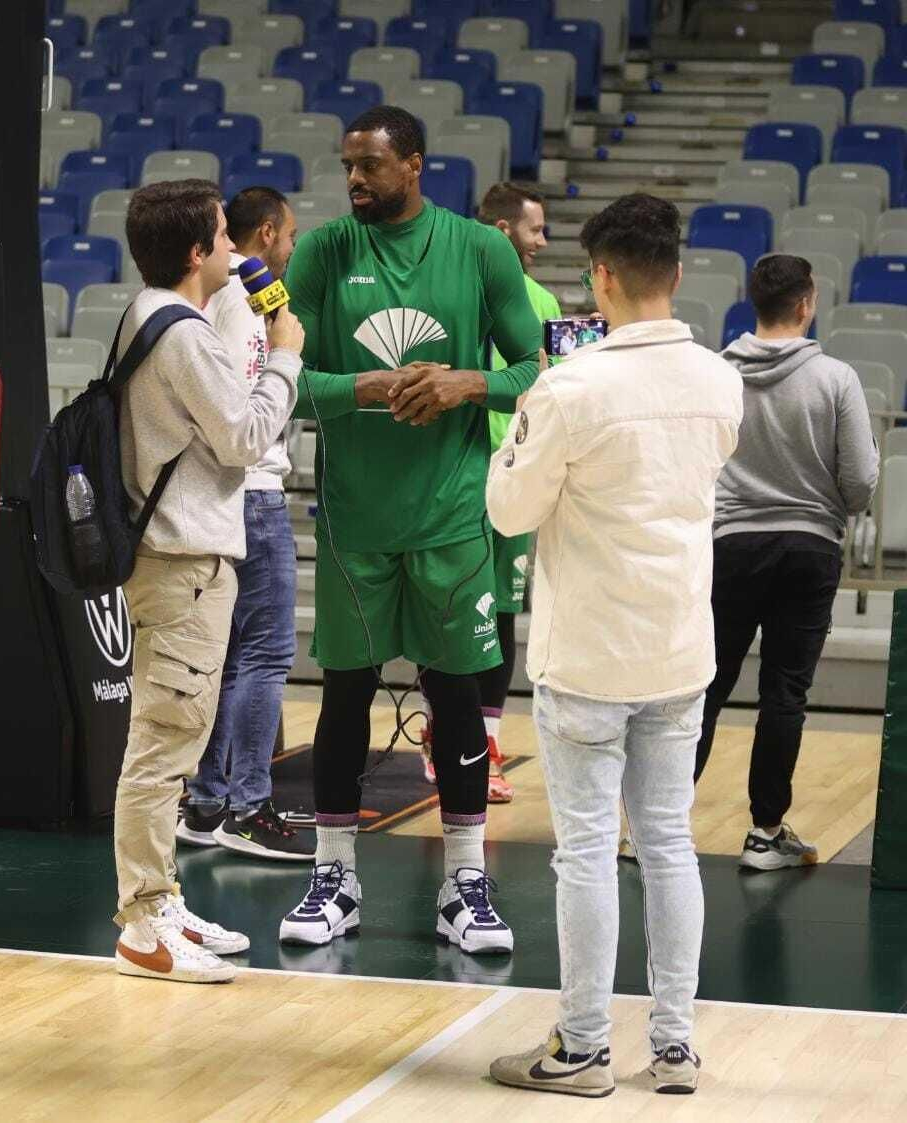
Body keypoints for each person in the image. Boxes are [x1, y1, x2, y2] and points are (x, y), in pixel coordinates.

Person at [485, 193, 743, 1098]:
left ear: (599, 280)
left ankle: (583, 1048)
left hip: (590, 651)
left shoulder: (570, 385)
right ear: (674, 274)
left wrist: (507, 454)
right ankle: (674, 1048)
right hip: (677, 645)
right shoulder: (721, 378)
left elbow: (510, 511)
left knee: (588, 852)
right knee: (669, 844)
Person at [276, 106, 541, 954]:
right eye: (347, 165)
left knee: (457, 696)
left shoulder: (482, 250)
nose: (353, 179)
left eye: (370, 166)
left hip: (454, 519)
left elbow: (545, 371)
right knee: (343, 694)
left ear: (416, 166)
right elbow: (280, 380)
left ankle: (465, 881)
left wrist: (470, 382)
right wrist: (362, 388)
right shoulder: (322, 252)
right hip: (355, 520)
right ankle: (334, 875)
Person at [112, 179, 301, 983]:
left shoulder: (145, 310)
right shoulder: (182, 332)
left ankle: (160, 895)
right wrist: (286, 353)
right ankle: (143, 921)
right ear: (197, 252)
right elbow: (245, 437)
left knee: (175, 736)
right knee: (163, 743)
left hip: (175, 553)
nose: (236, 251)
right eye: (225, 238)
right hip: (182, 556)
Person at [699, 253, 878, 869]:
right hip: (808, 548)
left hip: (729, 545)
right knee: (785, 694)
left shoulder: (716, 373)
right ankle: (765, 833)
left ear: (755, 301)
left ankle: (652, 828)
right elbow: (860, 481)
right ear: (807, 302)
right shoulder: (836, 378)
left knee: (704, 688)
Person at [175, 185, 312, 861]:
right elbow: (240, 402)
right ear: (264, 234)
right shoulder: (242, 303)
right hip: (251, 489)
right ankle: (249, 804)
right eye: (286, 235)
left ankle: (205, 802)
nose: (291, 247)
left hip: (230, 491)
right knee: (265, 654)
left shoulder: (227, 296)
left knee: (229, 658)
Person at [415, 183, 562, 804]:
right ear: (503, 231)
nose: (543, 240)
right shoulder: (449, 287)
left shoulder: (546, 299)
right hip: (455, 476)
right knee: (448, 611)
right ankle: (440, 733)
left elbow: (551, 385)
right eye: (535, 229)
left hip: (519, 477)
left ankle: (490, 741)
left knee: (501, 613)